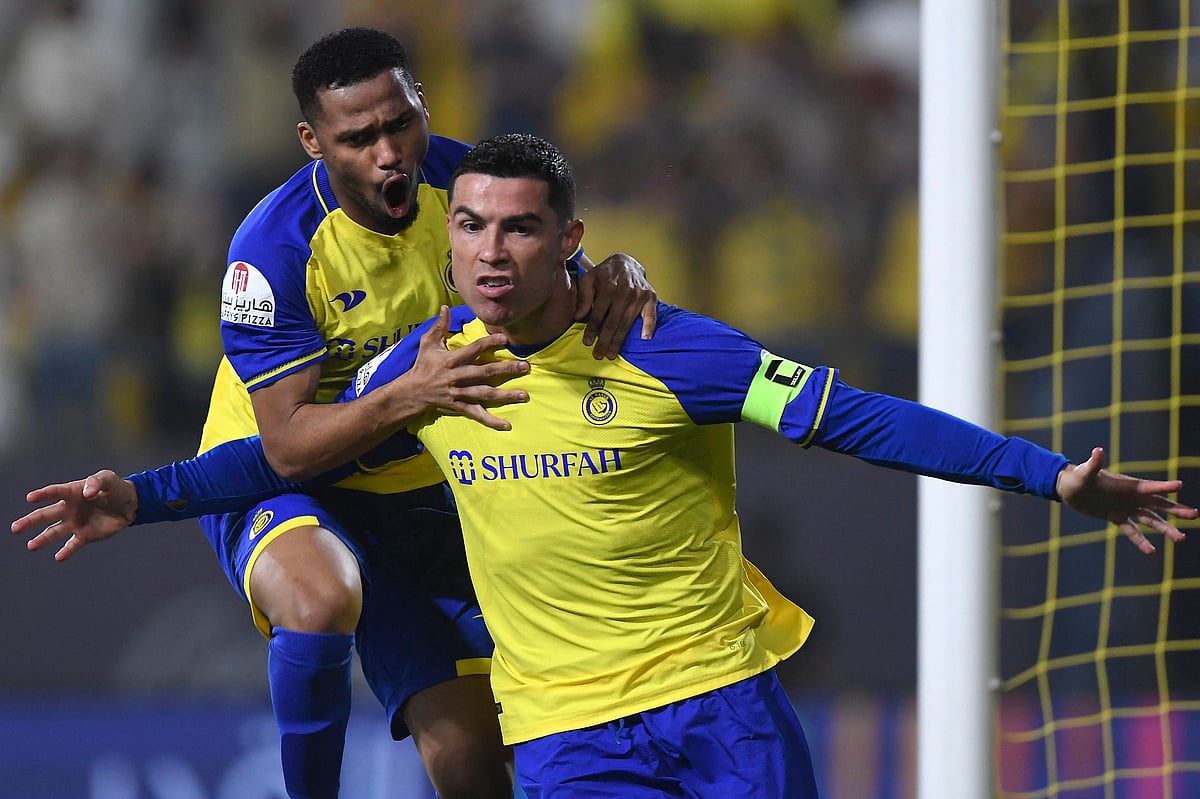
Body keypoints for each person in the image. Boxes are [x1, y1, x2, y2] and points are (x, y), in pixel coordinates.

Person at [14, 134, 1196, 797]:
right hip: (571, 738)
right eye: (468, 227)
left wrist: (1049, 477)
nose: (486, 252)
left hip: (723, 705)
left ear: (571, 240)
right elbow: (277, 461)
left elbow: (866, 420)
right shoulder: (438, 371)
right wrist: (139, 494)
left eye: (518, 229)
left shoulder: (670, 349)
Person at [19, 28, 658, 799]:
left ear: (423, 102)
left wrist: (618, 272)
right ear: (312, 142)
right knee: (323, 597)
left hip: (421, 492)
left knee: (473, 770)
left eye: (400, 123)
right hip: (268, 471)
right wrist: (409, 395)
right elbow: (288, 449)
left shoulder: (472, 185)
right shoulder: (272, 250)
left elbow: (565, 294)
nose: (388, 153)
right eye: (358, 138)